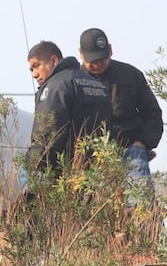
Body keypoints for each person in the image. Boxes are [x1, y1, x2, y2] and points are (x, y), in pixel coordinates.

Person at [78, 28, 163, 198]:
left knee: (141, 208)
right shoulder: (74, 81)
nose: (97, 64)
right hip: (90, 160)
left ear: (110, 50)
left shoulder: (130, 75)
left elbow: (152, 113)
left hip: (131, 152)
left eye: (102, 59)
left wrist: (143, 142)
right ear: (81, 55)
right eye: (92, 61)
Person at [26, 40, 111, 177]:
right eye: (31, 69)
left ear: (54, 60)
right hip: (98, 172)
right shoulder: (95, 84)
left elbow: (47, 134)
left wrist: (33, 165)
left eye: (37, 66)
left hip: (66, 175)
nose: (34, 74)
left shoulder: (55, 87)